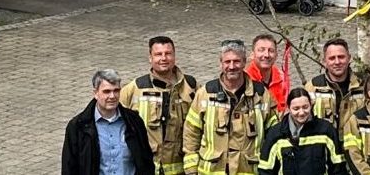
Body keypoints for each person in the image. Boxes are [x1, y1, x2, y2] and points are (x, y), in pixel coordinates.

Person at [184, 39, 278, 175]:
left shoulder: (262, 95)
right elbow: (191, 133)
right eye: (227, 62)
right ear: (221, 63)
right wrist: (191, 170)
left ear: (245, 62)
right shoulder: (205, 94)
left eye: (237, 61)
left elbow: (274, 134)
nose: (232, 66)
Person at [120, 36, 198, 175]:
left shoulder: (190, 86)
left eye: (168, 53)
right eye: (158, 54)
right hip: (147, 168)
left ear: (174, 56)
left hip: (181, 168)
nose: (164, 58)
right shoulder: (135, 89)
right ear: (150, 58)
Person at [62, 69, 155, 175]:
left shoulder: (134, 122)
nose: (112, 96)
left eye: (116, 90)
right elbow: (69, 167)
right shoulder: (78, 127)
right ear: (95, 93)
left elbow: (146, 162)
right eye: (106, 91)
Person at [258, 87, 346, 175]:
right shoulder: (276, 134)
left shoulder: (326, 130)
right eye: (296, 109)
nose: (301, 113)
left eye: (305, 107)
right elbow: (265, 170)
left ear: (311, 105)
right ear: (288, 108)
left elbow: (338, 168)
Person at [306, 38, 364, 138]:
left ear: (349, 58)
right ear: (324, 61)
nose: (337, 62)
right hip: (324, 146)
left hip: (355, 147)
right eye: (332, 58)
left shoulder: (364, 85)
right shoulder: (312, 87)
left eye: (341, 57)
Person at [246, 34, 288, 112]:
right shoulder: (244, 80)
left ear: (276, 55)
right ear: (252, 55)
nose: (266, 55)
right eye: (261, 50)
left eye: (271, 51)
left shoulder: (282, 79)